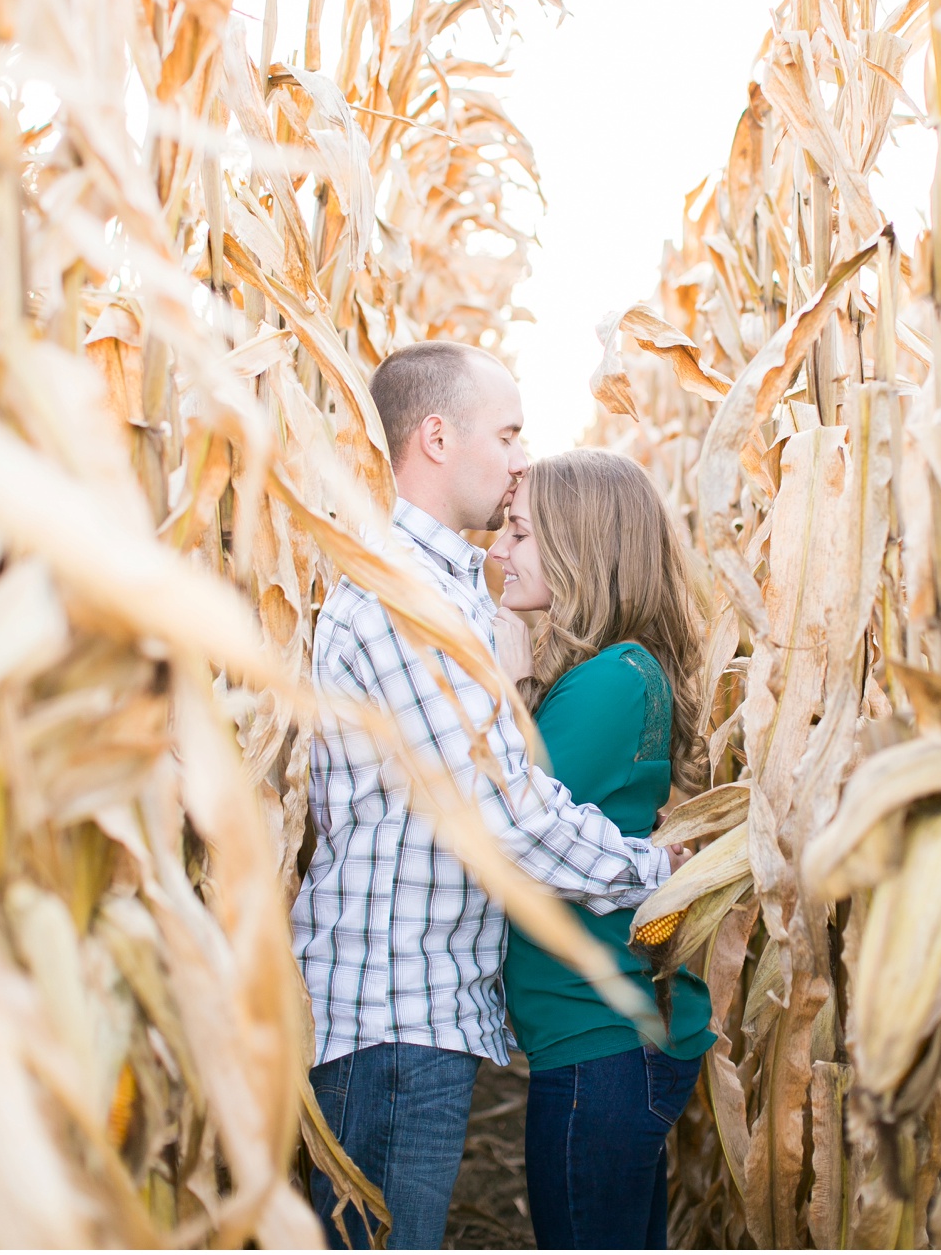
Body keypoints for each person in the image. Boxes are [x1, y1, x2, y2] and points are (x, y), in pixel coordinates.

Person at [291, 340, 683, 1250]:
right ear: (436, 436)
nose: (519, 463)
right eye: (508, 434)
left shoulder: (450, 594)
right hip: (390, 1020)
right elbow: (504, 813)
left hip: (417, 1018)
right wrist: (656, 869)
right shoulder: (405, 600)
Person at [486, 449, 715, 1250]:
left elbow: (513, 824)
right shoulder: (621, 669)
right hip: (614, 1038)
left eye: (518, 533)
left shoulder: (613, 679)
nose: (498, 551)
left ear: (581, 543)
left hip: (599, 1047)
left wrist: (513, 691)